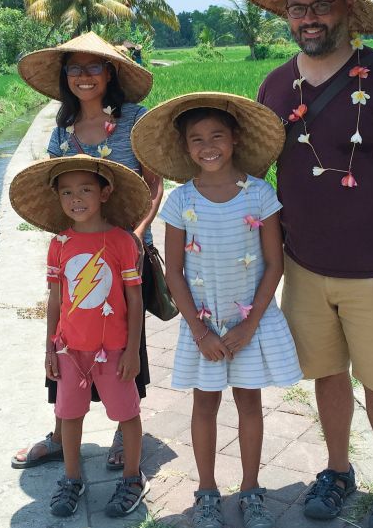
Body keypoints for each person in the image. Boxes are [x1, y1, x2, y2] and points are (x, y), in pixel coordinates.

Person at [237, 0, 373, 528]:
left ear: (346, 10)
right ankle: (337, 469)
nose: (309, 18)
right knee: (325, 373)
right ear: (287, 16)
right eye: (298, 9)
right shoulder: (273, 87)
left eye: (321, 6)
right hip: (302, 267)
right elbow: (251, 176)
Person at [131, 93, 303, 528]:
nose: (208, 146)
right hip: (203, 326)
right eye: (197, 139)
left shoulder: (260, 195)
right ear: (185, 147)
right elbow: (175, 274)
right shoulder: (179, 201)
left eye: (217, 136)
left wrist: (251, 324)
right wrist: (199, 330)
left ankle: (250, 490)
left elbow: (274, 263)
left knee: (249, 404)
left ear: (235, 139)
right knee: (204, 406)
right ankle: (206, 490)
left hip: (249, 324)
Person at [12, 31, 164, 473]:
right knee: (67, 337)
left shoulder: (134, 118)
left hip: (127, 252)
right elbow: (54, 185)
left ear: (110, 73)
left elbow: (153, 183)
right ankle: (61, 432)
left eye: (93, 67)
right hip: (79, 257)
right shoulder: (63, 130)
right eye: (74, 68)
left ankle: (124, 428)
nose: (84, 76)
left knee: (124, 340)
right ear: (65, 78)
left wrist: (136, 234)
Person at [8, 154, 152, 517]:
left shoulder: (122, 242)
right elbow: (55, 300)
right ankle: (72, 478)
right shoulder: (59, 244)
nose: (76, 199)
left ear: (104, 193)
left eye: (85, 189)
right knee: (69, 415)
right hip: (70, 351)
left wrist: (132, 350)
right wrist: (49, 350)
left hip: (114, 350)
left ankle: (132, 478)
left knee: (126, 414)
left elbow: (134, 300)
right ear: (58, 198)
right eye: (67, 192)